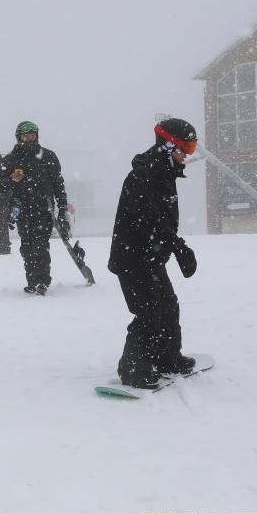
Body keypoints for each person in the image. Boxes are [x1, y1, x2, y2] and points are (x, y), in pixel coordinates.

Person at [108, 118, 199, 389]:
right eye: (187, 148)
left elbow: (160, 221)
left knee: (168, 305)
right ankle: (135, 369)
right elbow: (148, 220)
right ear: (169, 145)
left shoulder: (164, 171)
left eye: (193, 148)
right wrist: (179, 246)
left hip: (151, 257)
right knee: (149, 313)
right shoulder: (144, 174)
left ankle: (167, 358)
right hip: (133, 258)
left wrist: (174, 246)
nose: (188, 155)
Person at [0, 121, 70, 295]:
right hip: (22, 209)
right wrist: (11, 180)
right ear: (18, 137)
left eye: (32, 135)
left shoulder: (48, 156)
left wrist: (62, 209)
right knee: (27, 246)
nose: (29, 139)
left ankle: (42, 281)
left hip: (44, 209)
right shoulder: (11, 159)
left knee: (40, 245)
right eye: (25, 136)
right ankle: (32, 281)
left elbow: (58, 185)